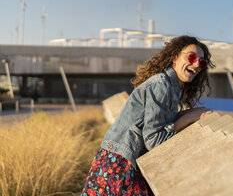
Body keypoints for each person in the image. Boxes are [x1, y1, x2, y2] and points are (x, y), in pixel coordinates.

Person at [82, 35, 215, 195]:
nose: (196, 64)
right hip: (120, 164)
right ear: (174, 58)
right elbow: (154, 139)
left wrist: (188, 113)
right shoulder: (162, 86)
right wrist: (189, 118)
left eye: (201, 62)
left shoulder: (170, 86)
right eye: (192, 57)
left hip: (116, 158)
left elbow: (160, 122)